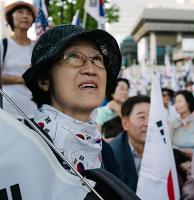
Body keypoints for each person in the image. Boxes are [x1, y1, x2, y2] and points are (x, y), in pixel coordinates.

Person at [21, 25, 130, 198]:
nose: (91, 69)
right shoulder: (19, 142)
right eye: (73, 57)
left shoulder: (105, 152)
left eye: (97, 58)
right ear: (44, 80)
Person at [2, 1, 37, 119]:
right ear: (11, 17)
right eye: (20, 12)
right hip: (7, 112)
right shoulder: (3, 45)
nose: (25, 16)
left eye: (29, 13)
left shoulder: (37, 48)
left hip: (35, 113)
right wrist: (23, 78)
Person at [109, 95, 150, 192]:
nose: (148, 123)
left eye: (152, 117)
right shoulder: (112, 154)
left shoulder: (161, 149)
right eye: (142, 117)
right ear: (125, 123)